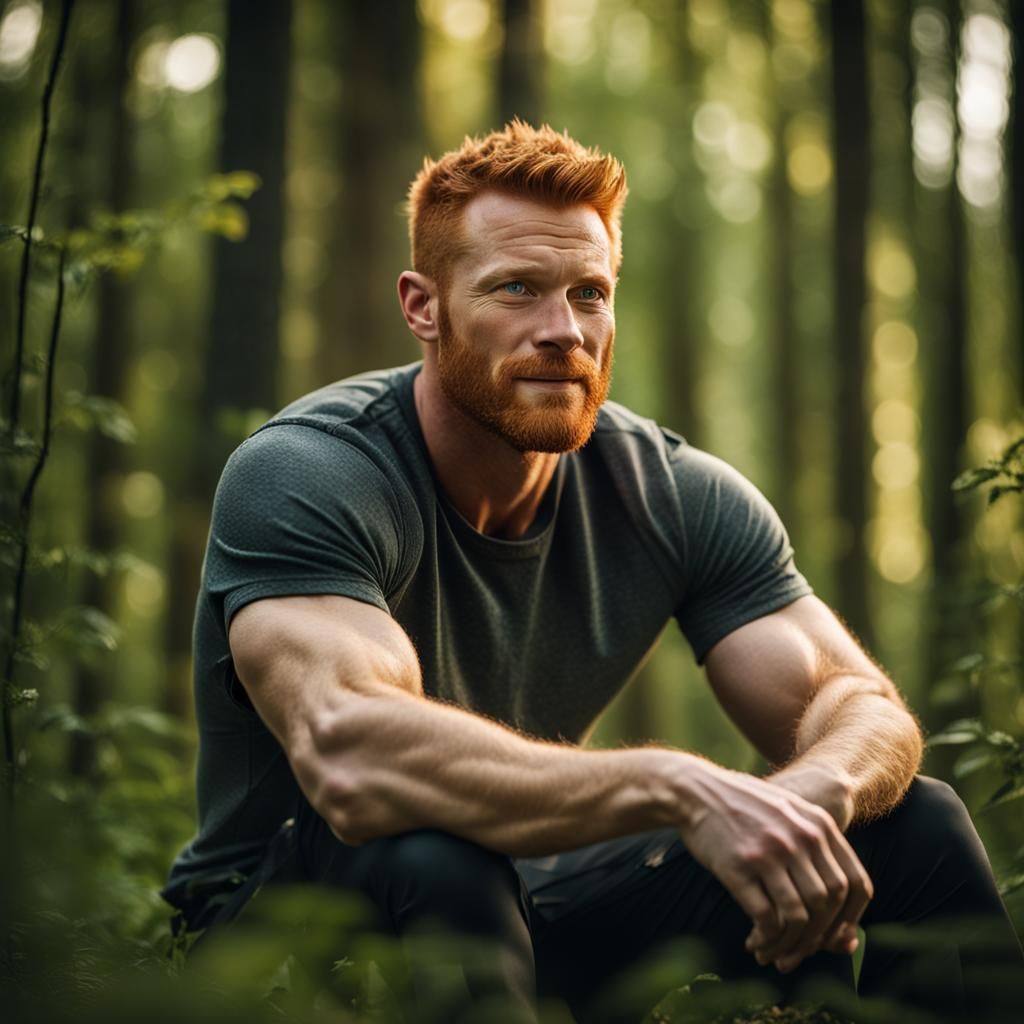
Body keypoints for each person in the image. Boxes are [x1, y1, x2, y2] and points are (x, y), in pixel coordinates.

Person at [163, 121, 1023, 1022]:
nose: (563, 331)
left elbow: (859, 702)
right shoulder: (311, 471)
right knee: (433, 846)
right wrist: (680, 786)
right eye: (517, 289)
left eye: (589, 294)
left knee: (916, 821)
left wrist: (810, 799)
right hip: (280, 924)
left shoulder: (670, 492)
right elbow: (351, 753)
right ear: (423, 307)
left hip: (530, 899)